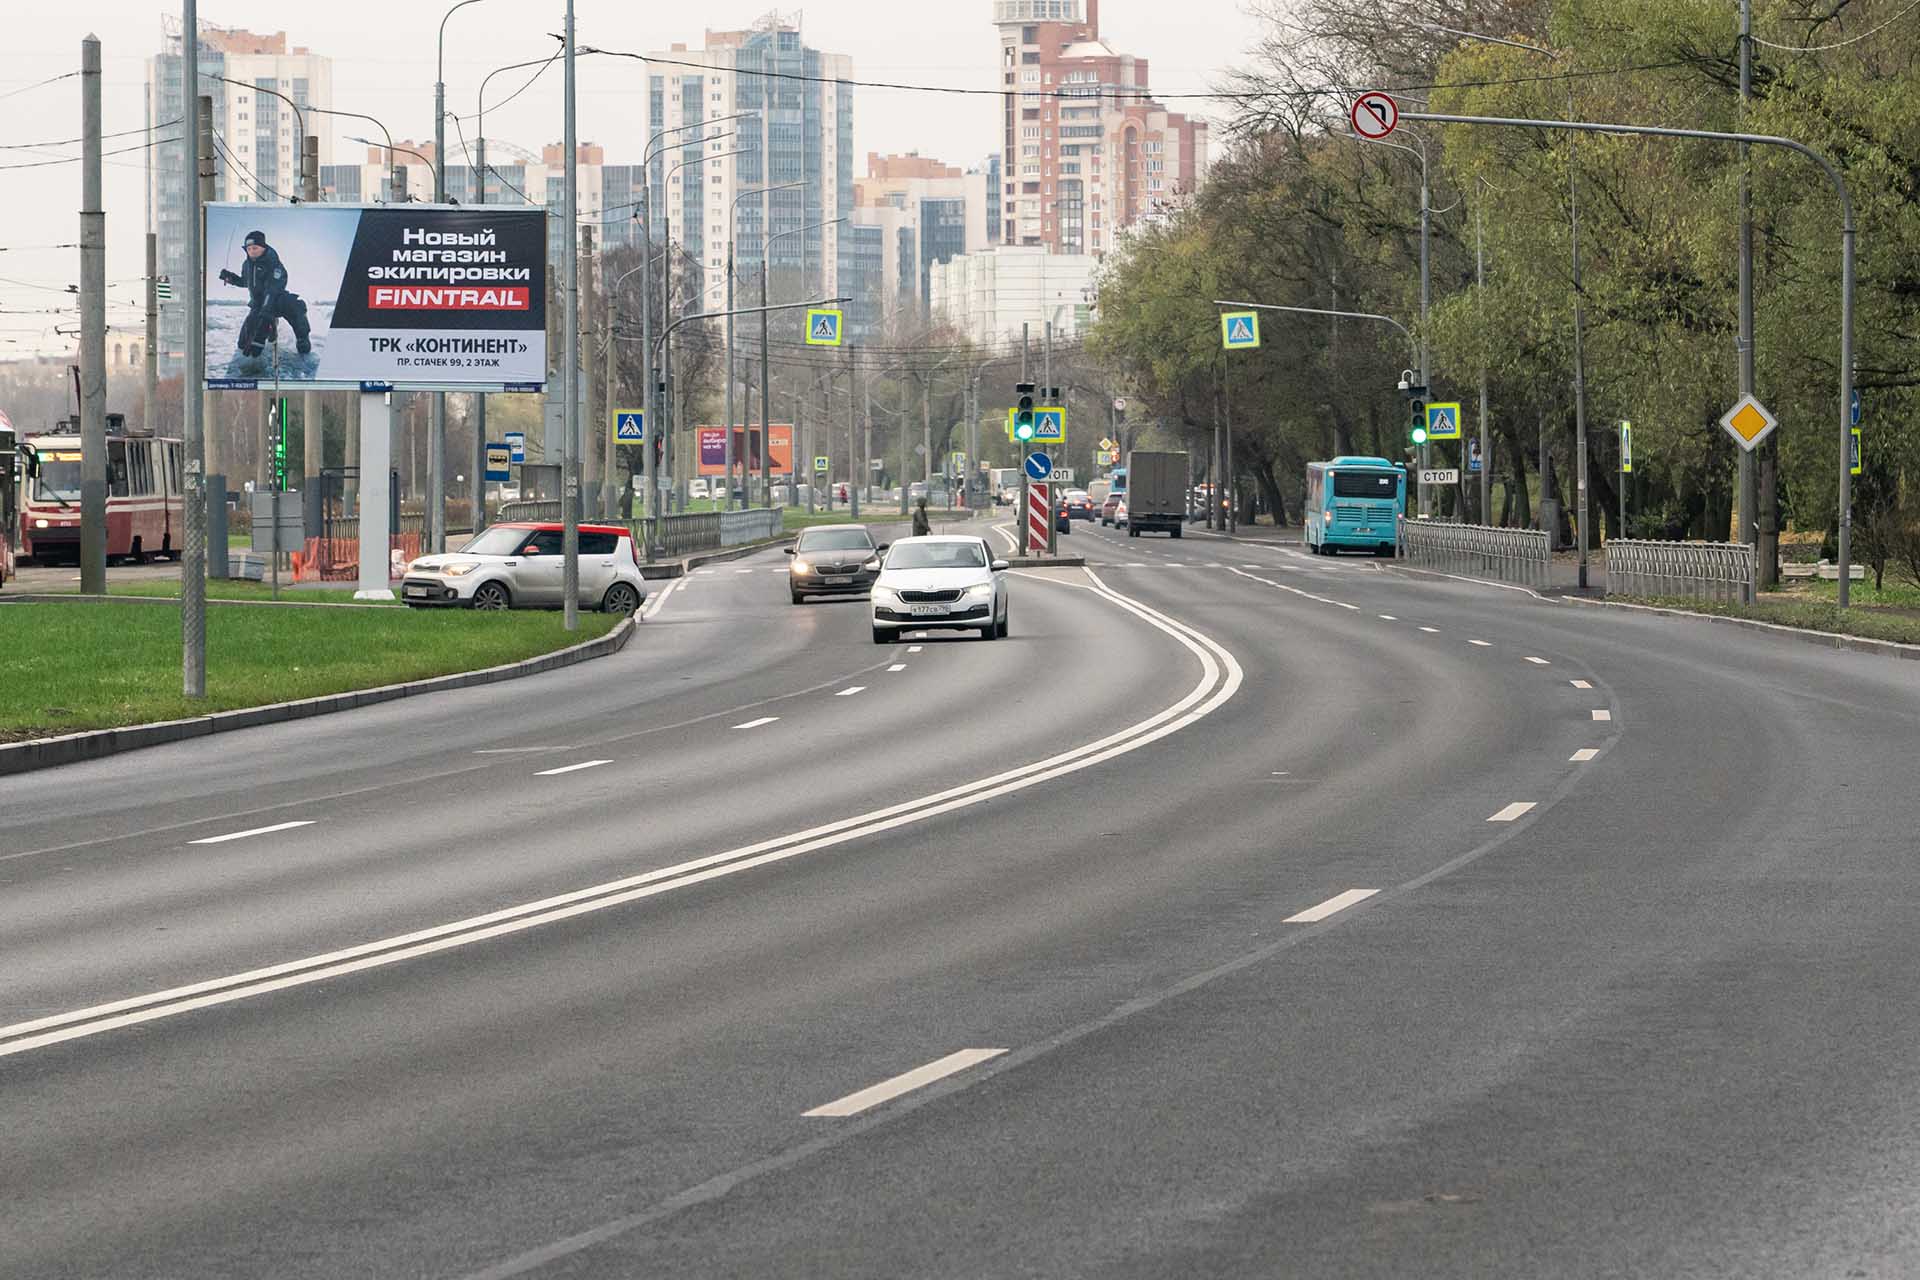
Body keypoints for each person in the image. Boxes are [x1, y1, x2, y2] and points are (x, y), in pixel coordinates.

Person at [218, 230, 311, 358]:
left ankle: (302, 338)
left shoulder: (273, 263)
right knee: (244, 343)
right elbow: (245, 281)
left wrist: (262, 328)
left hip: (276, 300)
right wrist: (231, 278)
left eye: (255, 248)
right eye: (249, 248)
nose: (252, 251)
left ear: (263, 247)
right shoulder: (247, 265)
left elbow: (273, 289)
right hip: (258, 304)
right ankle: (271, 327)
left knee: (295, 305)